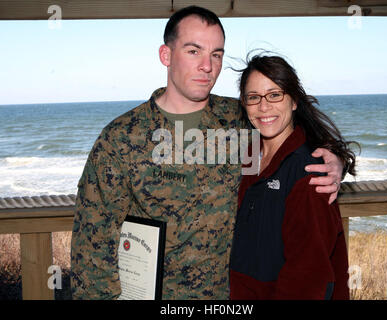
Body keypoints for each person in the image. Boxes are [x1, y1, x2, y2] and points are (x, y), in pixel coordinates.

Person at [70, 6, 346, 300]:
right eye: (194, 51)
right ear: (166, 55)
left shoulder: (237, 118)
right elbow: (92, 247)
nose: (207, 65)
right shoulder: (122, 138)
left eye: (216, 54)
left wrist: (334, 159)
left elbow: (289, 125)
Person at [229, 54, 357, 300]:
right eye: (253, 97)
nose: (264, 106)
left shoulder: (311, 175)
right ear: (244, 104)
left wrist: (336, 159)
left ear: (294, 101)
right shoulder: (246, 155)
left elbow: (309, 279)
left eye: (275, 94)